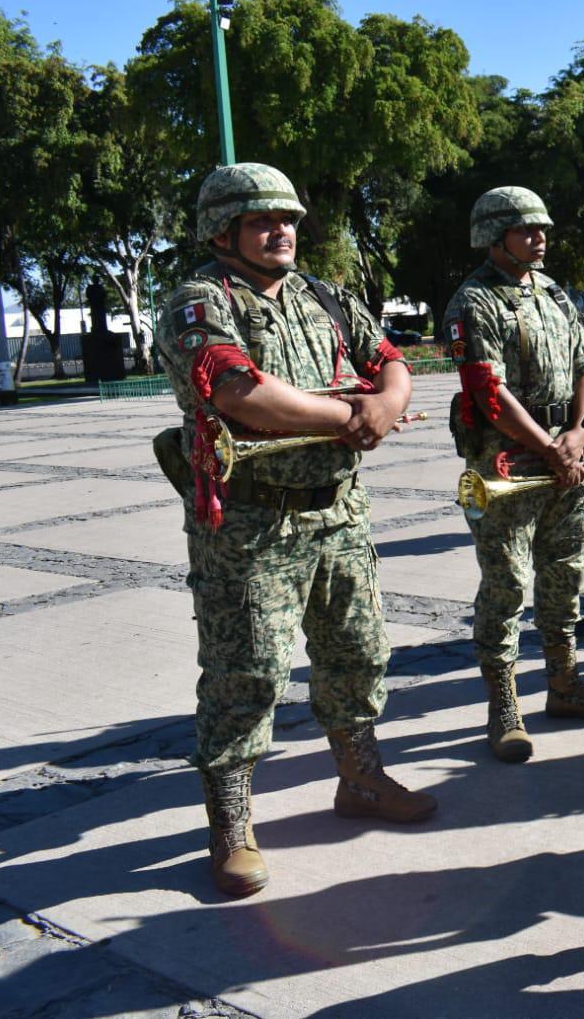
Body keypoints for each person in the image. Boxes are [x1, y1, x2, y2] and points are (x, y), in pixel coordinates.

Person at [157, 163, 435, 898]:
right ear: (224, 231)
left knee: (359, 650)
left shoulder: (325, 296)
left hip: (337, 507)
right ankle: (231, 825)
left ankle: (362, 780)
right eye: (260, 221)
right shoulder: (200, 299)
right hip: (250, 522)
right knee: (245, 672)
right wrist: (355, 415)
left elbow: (390, 361)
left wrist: (385, 400)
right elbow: (236, 390)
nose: (281, 231)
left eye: (286, 219)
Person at [444, 186, 584, 765]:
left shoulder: (553, 293)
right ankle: (504, 706)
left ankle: (565, 683)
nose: (540, 238)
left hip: (563, 460)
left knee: (565, 575)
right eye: (526, 230)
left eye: (542, 229)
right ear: (494, 237)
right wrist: (551, 445)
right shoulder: (474, 302)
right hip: (508, 465)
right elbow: (489, 394)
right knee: (506, 586)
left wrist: (576, 433)